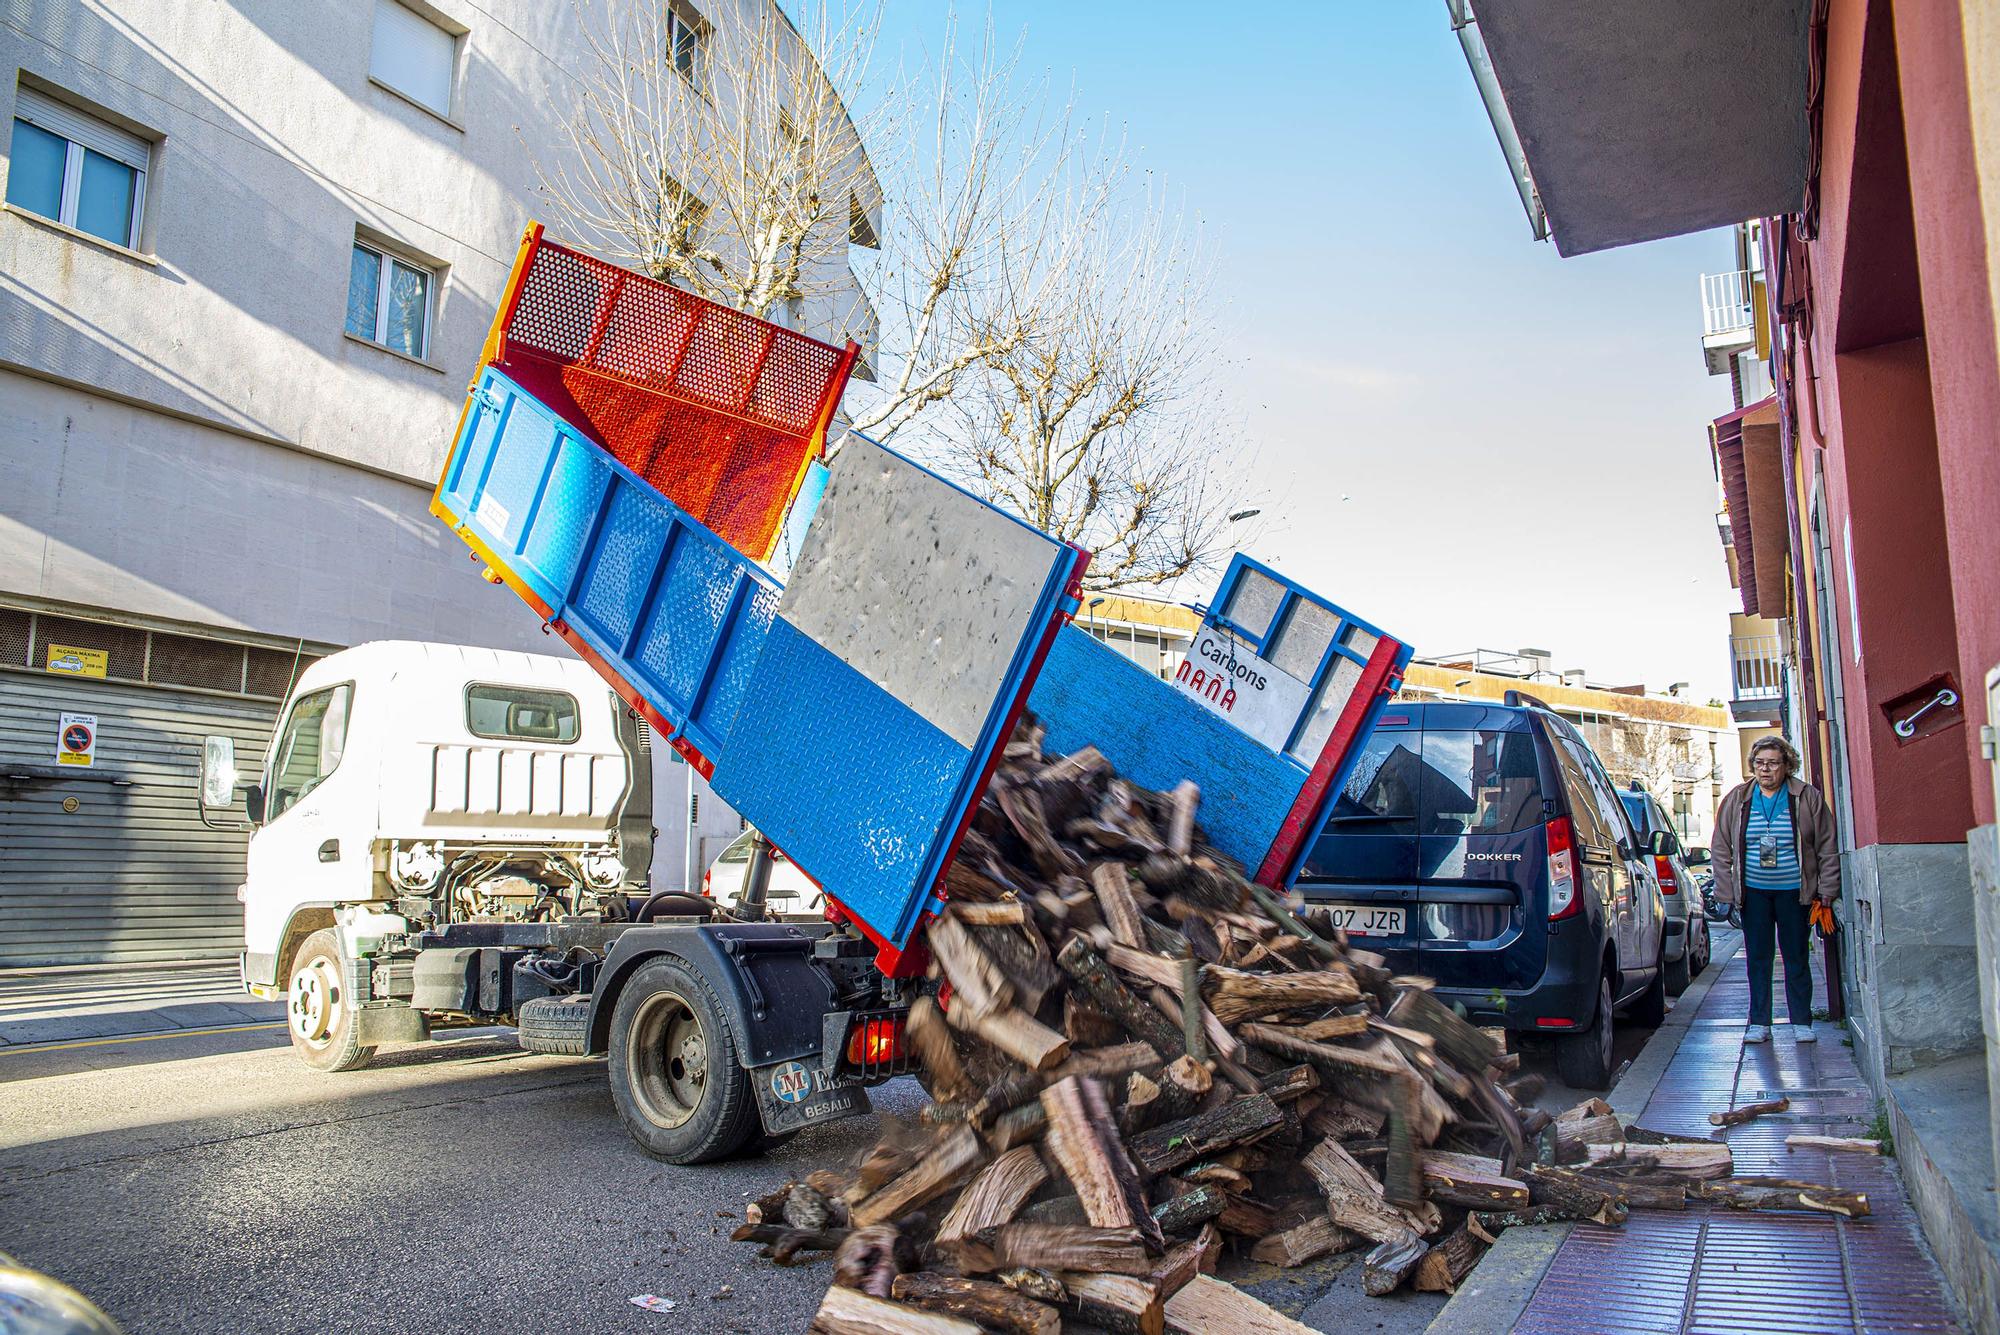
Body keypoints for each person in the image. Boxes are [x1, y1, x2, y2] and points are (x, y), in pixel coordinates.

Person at [1710, 736, 1840, 1043]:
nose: (1765, 769)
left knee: (1796, 956)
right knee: (1758, 957)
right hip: (1753, 892)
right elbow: (1720, 848)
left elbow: (1826, 845)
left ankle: (1802, 1022)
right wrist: (1726, 892)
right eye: (1759, 763)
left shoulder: (1805, 796)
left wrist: (1827, 890)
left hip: (1795, 891)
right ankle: (1760, 1023)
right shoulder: (1738, 798)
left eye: (1772, 763)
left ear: (1787, 765)